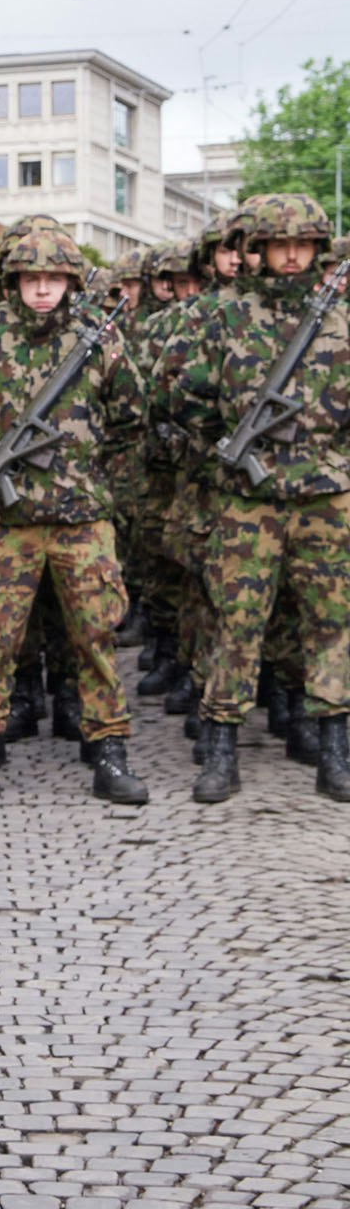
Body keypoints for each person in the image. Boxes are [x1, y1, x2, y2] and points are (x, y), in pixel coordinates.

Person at [0, 224, 149, 808]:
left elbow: (132, 415)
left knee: (95, 638)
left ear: (71, 283)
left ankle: (109, 751)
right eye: (31, 279)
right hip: (10, 522)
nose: (42, 290)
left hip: (82, 519)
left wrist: (86, 469)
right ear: (14, 282)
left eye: (53, 279)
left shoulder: (98, 340)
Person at [173, 192, 350, 802]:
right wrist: (231, 447)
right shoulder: (223, 315)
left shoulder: (340, 317)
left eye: (303, 244)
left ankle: (336, 751)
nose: (293, 254)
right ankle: (221, 749)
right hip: (248, 499)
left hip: (326, 495)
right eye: (281, 244)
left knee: (333, 624)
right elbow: (185, 398)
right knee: (235, 625)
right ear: (259, 250)